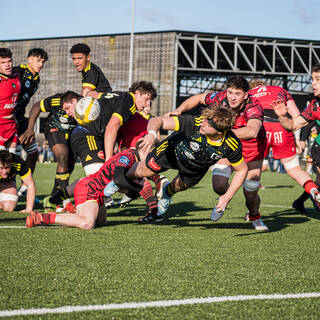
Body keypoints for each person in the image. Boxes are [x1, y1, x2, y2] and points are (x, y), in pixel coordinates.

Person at [165, 76, 268, 231]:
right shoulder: (221, 98)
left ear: (246, 95)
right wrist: (180, 109)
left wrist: (218, 132)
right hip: (227, 146)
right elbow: (198, 98)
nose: (232, 98)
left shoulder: (254, 106)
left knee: (250, 192)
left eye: (237, 94)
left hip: (252, 149)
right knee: (219, 186)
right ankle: (225, 196)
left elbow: (252, 131)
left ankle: (254, 216)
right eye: (230, 92)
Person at [117, 105, 248, 222]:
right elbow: (158, 120)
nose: (203, 124)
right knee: (143, 171)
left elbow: (242, 170)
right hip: (172, 151)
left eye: (208, 124)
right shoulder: (195, 123)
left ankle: (166, 193)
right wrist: (151, 134)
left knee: (178, 187)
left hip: (195, 167)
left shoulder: (230, 144)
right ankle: (118, 179)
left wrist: (226, 197)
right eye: (205, 120)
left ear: (219, 132)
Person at [26, 142, 150, 228]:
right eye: (151, 155)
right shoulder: (127, 157)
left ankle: (69, 210)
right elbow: (118, 179)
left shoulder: (134, 157)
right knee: (87, 223)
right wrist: (136, 189)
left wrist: (132, 191)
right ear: (144, 150)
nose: (152, 160)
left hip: (97, 192)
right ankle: (43, 217)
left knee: (101, 222)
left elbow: (119, 184)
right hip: (89, 189)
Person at [62, 81, 157, 176]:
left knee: (101, 180)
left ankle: (63, 191)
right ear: (136, 93)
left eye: (150, 101)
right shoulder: (129, 103)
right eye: (146, 99)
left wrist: (85, 102)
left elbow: (93, 94)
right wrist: (109, 159)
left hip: (83, 132)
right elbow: (112, 127)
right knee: (99, 179)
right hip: (88, 134)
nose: (148, 104)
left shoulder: (118, 94)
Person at [273, 64, 320, 212]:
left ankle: (301, 201)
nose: (313, 83)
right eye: (312, 79)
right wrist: (282, 116)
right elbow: (293, 125)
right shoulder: (315, 106)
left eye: (318, 79)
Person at [20, 92, 78, 211]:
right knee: (62, 156)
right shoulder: (57, 101)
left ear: (75, 101)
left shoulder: (86, 105)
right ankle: (65, 201)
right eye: (64, 109)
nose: (66, 112)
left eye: (67, 108)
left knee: (69, 165)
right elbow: (37, 106)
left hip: (73, 132)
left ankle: (52, 199)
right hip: (54, 127)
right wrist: (30, 128)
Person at [0, 48, 21, 153]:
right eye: (3, 62)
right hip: (0, 125)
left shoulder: (16, 76)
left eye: (9, 61)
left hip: (11, 125)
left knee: (11, 159)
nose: (7, 65)